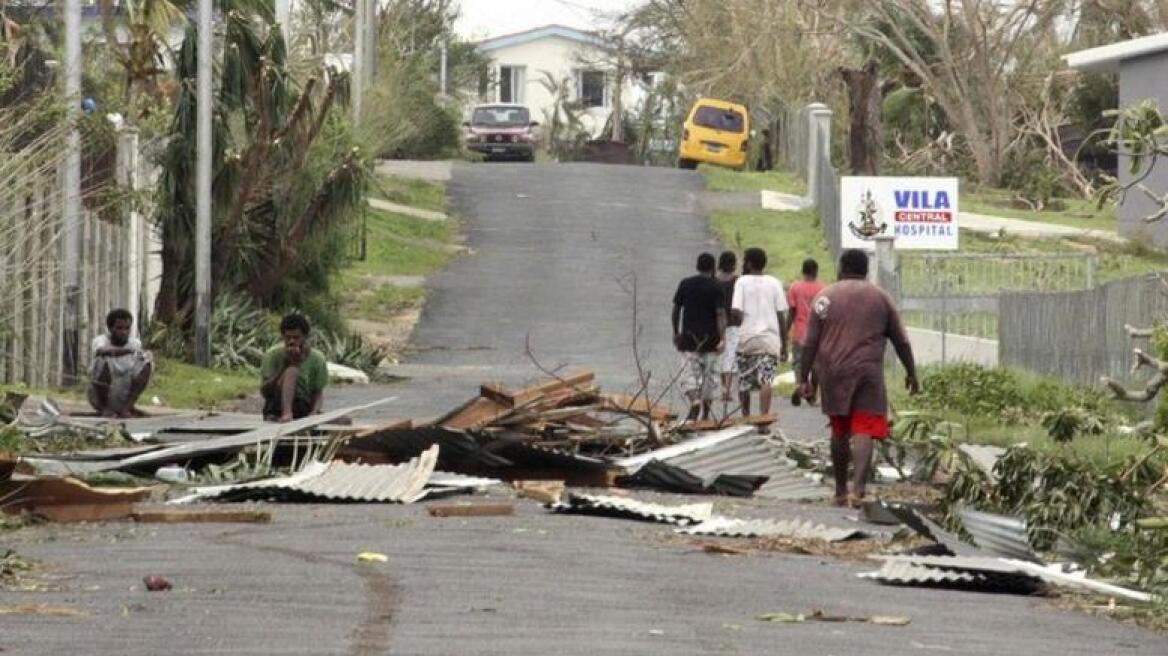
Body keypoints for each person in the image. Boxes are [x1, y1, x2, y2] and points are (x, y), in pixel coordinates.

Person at [797, 249, 920, 508]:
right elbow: (901, 340)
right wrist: (912, 373)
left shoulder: (825, 297)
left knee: (840, 430)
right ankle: (858, 491)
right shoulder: (881, 297)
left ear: (841, 268)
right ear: (865, 270)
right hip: (867, 372)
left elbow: (809, 344)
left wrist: (804, 377)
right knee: (863, 429)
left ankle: (840, 491)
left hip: (833, 372)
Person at [731, 247, 788, 430]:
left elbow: (736, 311)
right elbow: (781, 315)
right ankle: (763, 419)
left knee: (744, 381)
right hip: (770, 340)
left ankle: (746, 417)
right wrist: (784, 345)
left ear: (748, 263)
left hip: (747, 338)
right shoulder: (774, 283)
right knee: (766, 380)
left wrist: (737, 321)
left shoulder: (742, 282)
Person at [672, 252, 727, 421]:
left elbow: (676, 310)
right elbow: (720, 314)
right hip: (711, 340)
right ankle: (705, 414)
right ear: (713, 267)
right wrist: (722, 337)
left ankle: (694, 400)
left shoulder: (686, 284)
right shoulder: (717, 287)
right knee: (710, 378)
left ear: (697, 266)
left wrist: (676, 332)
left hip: (689, 339)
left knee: (688, 375)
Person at [260, 313, 329, 422]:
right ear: (283, 336)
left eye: (296, 337)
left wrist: (314, 413)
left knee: (344, 421)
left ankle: (298, 416)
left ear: (305, 337)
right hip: (276, 405)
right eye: (288, 338)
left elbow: (317, 393)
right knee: (292, 370)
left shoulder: (317, 359)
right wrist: (284, 367)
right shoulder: (272, 355)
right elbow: (265, 392)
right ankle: (286, 413)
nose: (292, 341)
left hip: (302, 406)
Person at [89, 309, 153, 418]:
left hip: (124, 391)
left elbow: (140, 361)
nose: (124, 332)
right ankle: (106, 409)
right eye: (119, 328)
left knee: (146, 363)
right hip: (101, 396)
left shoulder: (135, 343)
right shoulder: (101, 341)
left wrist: (146, 355)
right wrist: (127, 351)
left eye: (127, 328)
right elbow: (102, 351)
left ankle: (127, 408)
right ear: (110, 328)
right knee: (101, 360)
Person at [786, 258, 825, 406]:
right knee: (816, 365)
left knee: (798, 362)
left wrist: (786, 330)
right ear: (816, 271)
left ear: (803, 271)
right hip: (818, 334)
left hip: (800, 332)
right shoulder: (823, 288)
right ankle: (813, 392)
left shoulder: (795, 288)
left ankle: (800, 385)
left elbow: (791, 311)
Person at [715, 251, 741, 407]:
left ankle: (723, 386)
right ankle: (728, 388)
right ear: (732, 264)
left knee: (720, 354)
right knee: (730, 356)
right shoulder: (737, 281)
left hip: (717, 322)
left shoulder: (714, 280)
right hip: (732, 322)